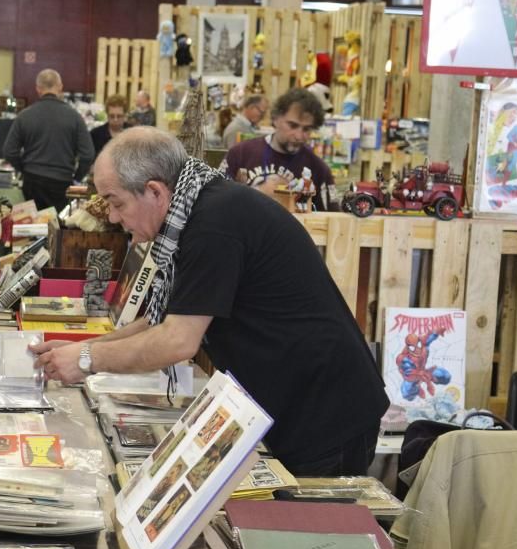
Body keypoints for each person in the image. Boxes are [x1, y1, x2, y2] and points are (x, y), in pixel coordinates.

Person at [33, 127, 388, 478]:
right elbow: (163, 321)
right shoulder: (200, 207)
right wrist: (86, 346)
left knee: (312, 530)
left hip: (324, 413)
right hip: (298, 400)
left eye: (116, 202)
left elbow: (177, 340)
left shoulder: (213, 224)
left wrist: (85, 359)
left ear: (154, 191)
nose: (112, 217)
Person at [220, 88, 334, 211]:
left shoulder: (318, 169)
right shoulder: (240, 154)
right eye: (292, 125)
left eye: (306, 129)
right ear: (275, 118)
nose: (299, 136)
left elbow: (332, 217)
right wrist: (257, 192)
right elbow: (214, 199)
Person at [3, 68, 94, 212]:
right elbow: (88, 155)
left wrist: (24, 169)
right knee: (56, 228)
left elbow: (9, 151)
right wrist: (77, 178)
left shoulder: (24, 116)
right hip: (62, 182)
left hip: (32, 180)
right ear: (60, 87)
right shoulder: (74, 117)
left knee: (32, 226)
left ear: (38, 89)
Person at [90, 94, 128, 158]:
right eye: (112, 116)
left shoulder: (133, 133)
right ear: (107, 114)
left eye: (119, 116)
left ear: (125, 115)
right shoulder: (95, 134)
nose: (115, 119)